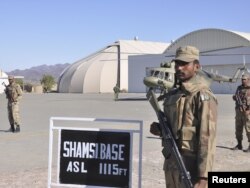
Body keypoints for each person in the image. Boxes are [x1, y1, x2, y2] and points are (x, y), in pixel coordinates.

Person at [150, 46, 217, 188]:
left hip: (190, 168)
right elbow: (173, 128)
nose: (179, 68)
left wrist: (204, 176)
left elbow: (207, 138)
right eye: (177, 64)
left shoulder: (202, 95)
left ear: (196, 66)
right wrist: (159, 129)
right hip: (171, 164)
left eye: (185, 64)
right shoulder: (174, 95)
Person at [232, 74, 250, 152]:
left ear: (248, 79)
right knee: (238, 128)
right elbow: (237, 97)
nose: (243, 80)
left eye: (245, 79)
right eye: (242, 79)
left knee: (248, 129)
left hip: (247, 112)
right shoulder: (239, 88)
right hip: (239, 111)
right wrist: (234, 97)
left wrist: (249, 110)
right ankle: (239, 144)